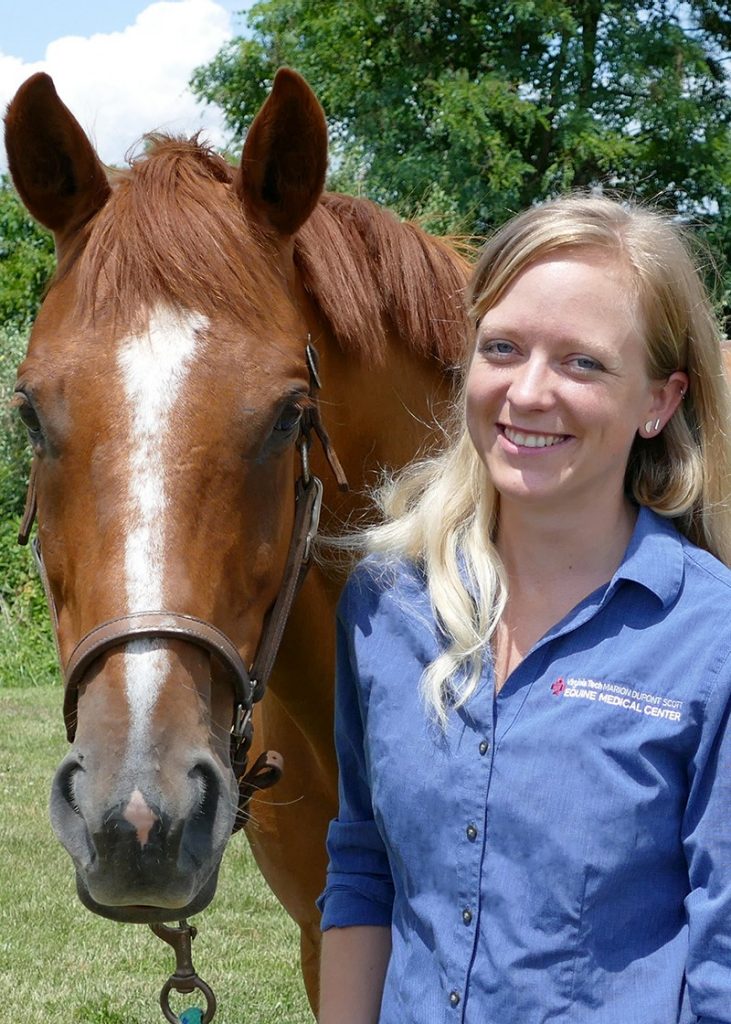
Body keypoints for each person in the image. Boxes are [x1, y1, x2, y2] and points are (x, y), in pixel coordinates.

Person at [316, 193, 731, 1024]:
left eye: (582, 363)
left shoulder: (708, 640)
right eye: (501, 348)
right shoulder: (385, 606)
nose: (528, 392)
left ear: (658, 401)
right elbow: (364, 866)